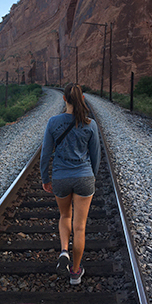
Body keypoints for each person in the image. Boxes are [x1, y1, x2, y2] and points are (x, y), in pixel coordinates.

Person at [40, 83, 101, 285]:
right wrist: (92, 177)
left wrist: (45, 179)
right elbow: (95, 157)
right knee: (80, 227)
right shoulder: (90, 124)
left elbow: (45, 154)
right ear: (82, 99)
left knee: (65, 215)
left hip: (60, 177)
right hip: (84, 177)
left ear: (64, 99)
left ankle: (64, 250)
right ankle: (75, 272)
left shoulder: (53, 122)